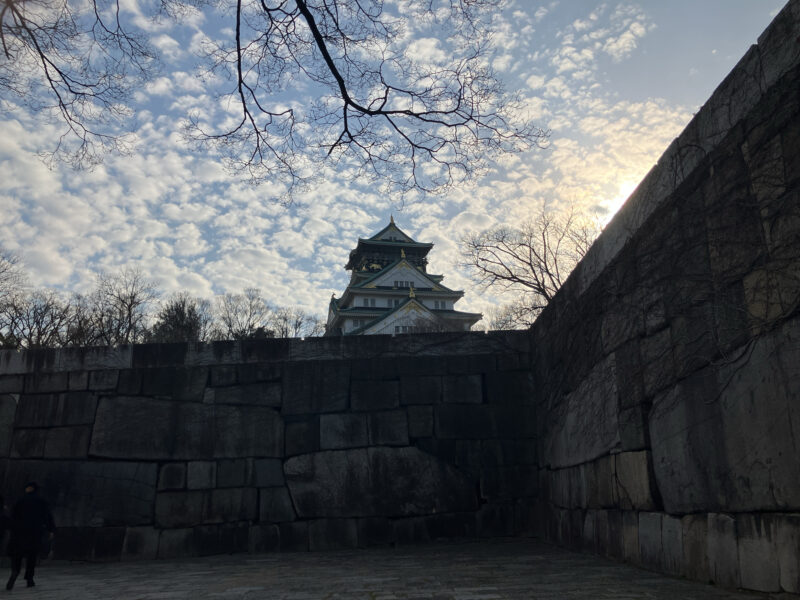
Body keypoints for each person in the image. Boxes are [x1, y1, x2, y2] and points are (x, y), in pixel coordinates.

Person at [6, 482, 56, 590]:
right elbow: (48, 516)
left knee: (17, 554)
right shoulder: (41, 502)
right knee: (32, 556)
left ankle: (15, 571)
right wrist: (51, 529)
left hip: (19, 532)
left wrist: (11, 529)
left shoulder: (19, 501)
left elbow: (12, 516)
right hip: (34, 532)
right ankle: (29, 578)